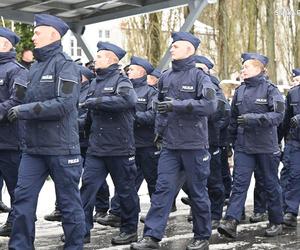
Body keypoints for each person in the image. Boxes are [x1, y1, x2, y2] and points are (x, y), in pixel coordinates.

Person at [131, 31, 217, 250]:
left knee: (197, 192)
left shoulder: (201, 77)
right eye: (172, 45)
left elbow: (209, 107)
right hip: (170, 145)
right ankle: (151, 237)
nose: (172, 49)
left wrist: (177, 105)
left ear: (190, 49)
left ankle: (202, 237)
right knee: (162, 190)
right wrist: (159, 134)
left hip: (194, 145)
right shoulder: (166, 77)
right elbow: (159, 108)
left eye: (176, 46)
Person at [7, 14, 86, 250]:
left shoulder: (66, 65)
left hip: (62, 149)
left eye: (37, 32)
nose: (33, 36)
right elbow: (18, 100)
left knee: (69, 204)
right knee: (22, 201)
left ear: (53, 34)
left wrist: (25, 110)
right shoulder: (34, 67)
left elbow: (65, 104)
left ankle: (74, 246)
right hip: (33, 149)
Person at [218, 52, 284, 238]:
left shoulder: (271, 90)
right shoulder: (239, 91)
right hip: (244, 146)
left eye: (246, 66)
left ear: (258, 68)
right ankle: (231, 221)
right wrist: (229, 143)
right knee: (239, 184)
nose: (242, 70)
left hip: (266, 147)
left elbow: (278, 116)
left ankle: (276, 221)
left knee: (271, 184)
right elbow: (233, 120)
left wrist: (253, 119)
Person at [79, 41, 139, 246]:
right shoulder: (94, 83)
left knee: (125, 190)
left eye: (100, 56)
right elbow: (88, 115)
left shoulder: (122, 81)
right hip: (96, 147)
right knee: (87, 188)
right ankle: (82, 230)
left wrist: (97, 102)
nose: (96, 60)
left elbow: (127, 101)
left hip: (120, 147)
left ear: (112, 60)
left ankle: (130, 230)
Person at [98, 56, 159, 227]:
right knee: (127, 181)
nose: (128, 71)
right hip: (129, 144)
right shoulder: (124, 89)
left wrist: (131, 118)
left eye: (131, 69)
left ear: (141, 72)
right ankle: (117, 212)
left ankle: (157, 213)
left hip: (147, 145)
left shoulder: (151, 92)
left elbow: (153, 116)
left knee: (153, 181)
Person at [0, 27, 28, 237]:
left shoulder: (17, 71)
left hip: (10, 141)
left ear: (5, 44)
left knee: (15, 187)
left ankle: (15, 224)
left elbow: (17, 101)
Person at [280, 68, 300, 228]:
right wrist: (277, 140)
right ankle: (290, 212)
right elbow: (285, 120)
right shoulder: (293, 94)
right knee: (293, 175)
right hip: (295, 141)